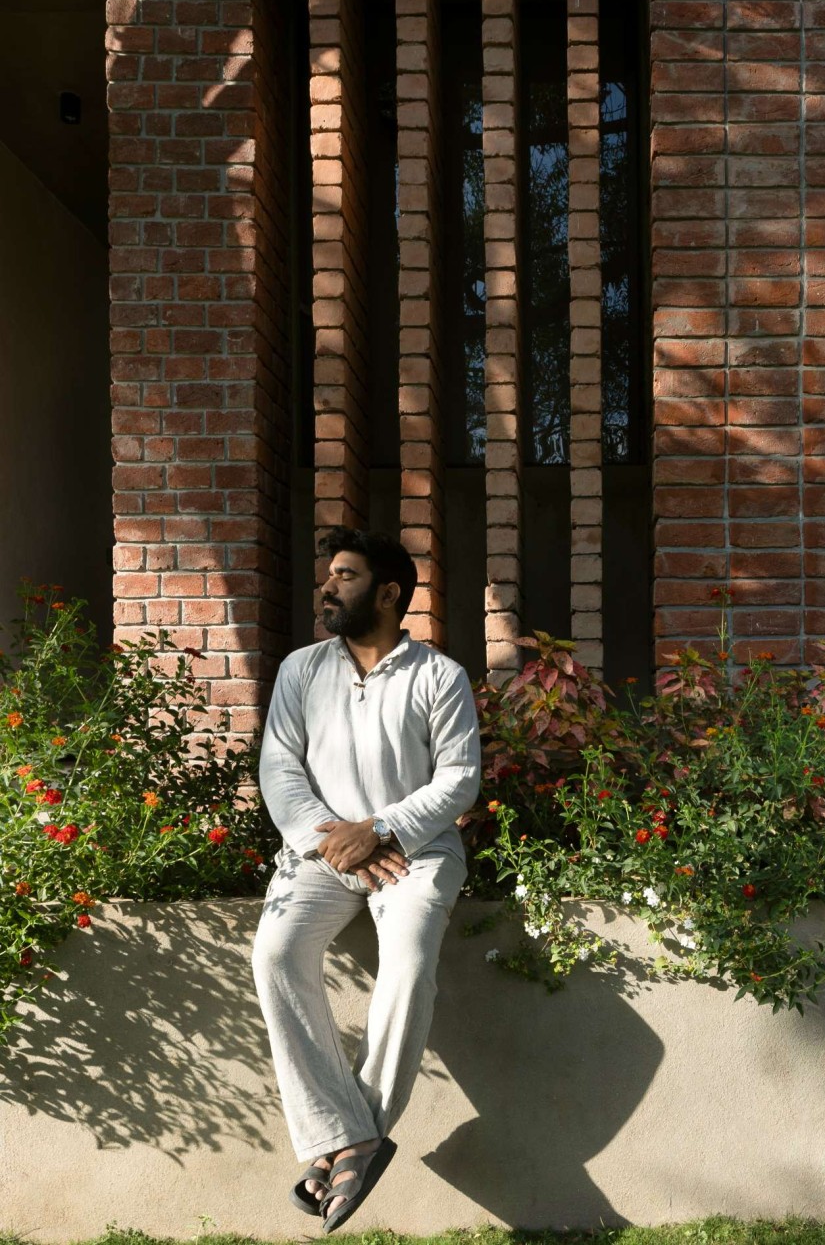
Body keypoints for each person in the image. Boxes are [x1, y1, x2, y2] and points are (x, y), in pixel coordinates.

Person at [252, 526, 482, 1236]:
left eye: (344, 576)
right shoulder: (301, 670)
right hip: (319, 851)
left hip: (415, 855)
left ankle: (351, 1139)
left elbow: (459, 779)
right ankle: (353, 1135)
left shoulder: (438, 676)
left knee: (408, 962)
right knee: (276, 955)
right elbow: (279, 768)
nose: (327, 586)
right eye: (330, 575)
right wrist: (337, 838)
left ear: (388, 593)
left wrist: (380, 830)